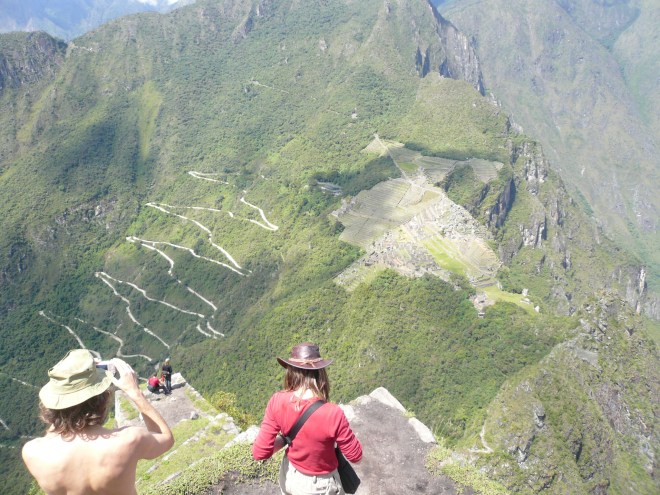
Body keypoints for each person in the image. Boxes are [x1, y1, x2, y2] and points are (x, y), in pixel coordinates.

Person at [22, 349, 174, 495]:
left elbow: (53, 431)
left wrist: (61, 406)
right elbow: (164, 437)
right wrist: (135, 393)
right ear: (101, 398)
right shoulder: (130, 440)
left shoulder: (32, 452)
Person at [253, 342, 362, 495]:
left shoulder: (277, 401)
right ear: (321, 374)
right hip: (320, 485)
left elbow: (259, 453)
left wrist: (285, 439)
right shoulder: (333, 413)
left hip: (289, 476)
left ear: (290, 371)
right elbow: (355, 456)